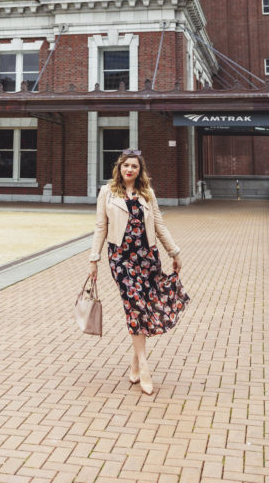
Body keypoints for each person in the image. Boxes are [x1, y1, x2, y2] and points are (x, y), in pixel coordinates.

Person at [89, 148, 189, 395]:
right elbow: (101, 226)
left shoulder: (147, 194)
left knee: (145, 306)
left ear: (139, 170)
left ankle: (134, 363)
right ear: (119, 168)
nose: (129, 170)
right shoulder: (107, 192)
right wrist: (94, 259)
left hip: (147, 257)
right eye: (125, 166)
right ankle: (144, 366)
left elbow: (159, 225)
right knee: (134, 305)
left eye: (134, 166)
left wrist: (174, 252)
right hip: (121, 259)